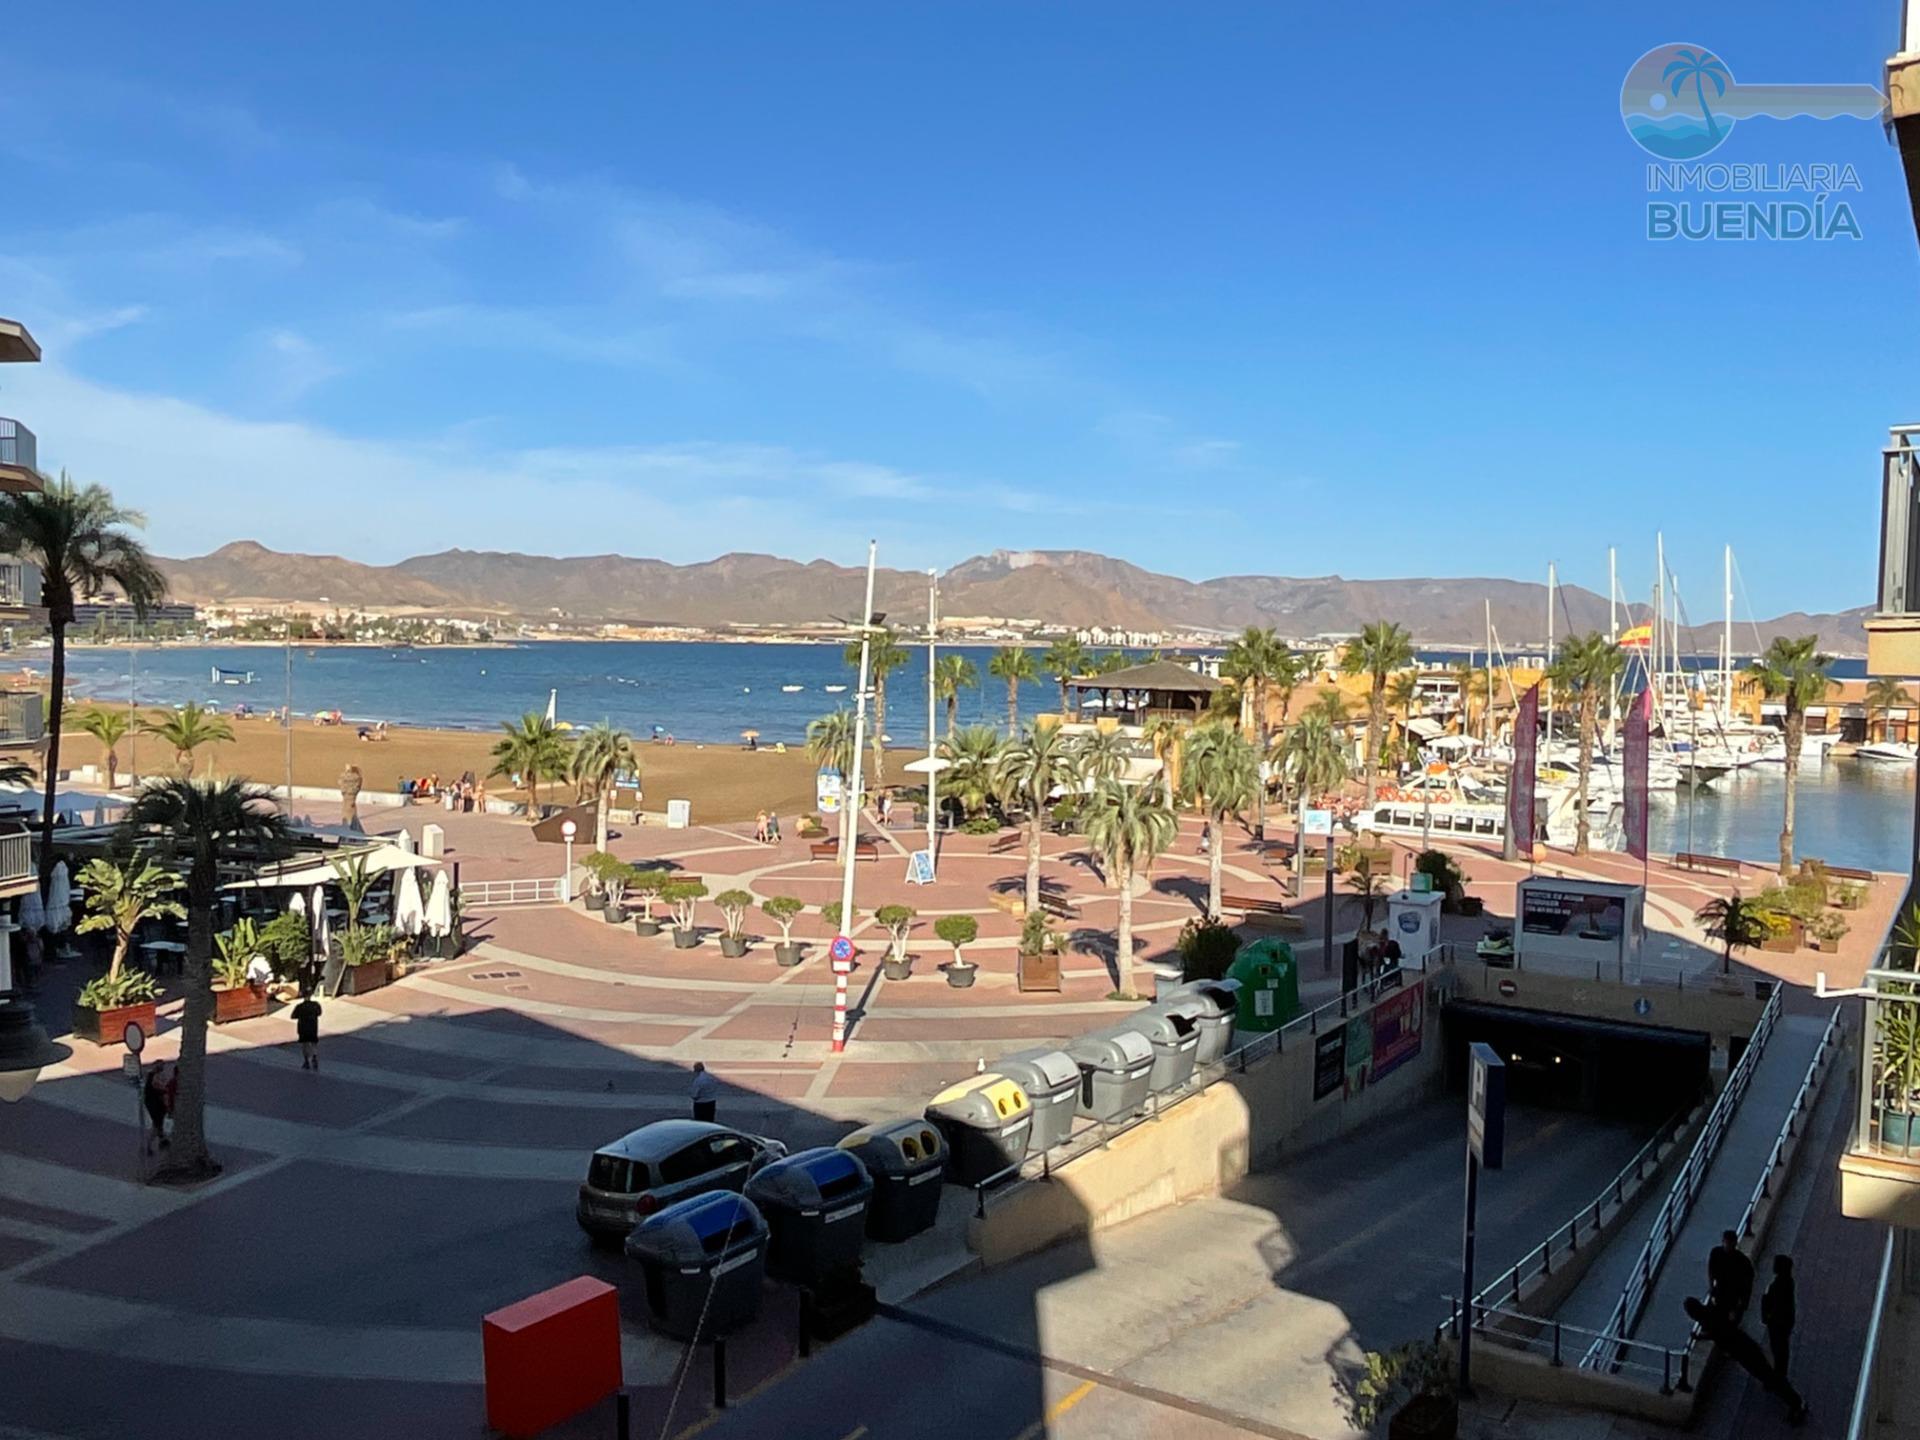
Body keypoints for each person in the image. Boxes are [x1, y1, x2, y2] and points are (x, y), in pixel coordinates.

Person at [1761, 1255, 1796, 1383]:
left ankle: (1779, 1375)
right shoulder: (1788, 1282)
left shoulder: (1777, 1285)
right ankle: (1780, 1373)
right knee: (1782, 1347)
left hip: (1777, 1322)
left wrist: (1767, 1316)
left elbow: (1771, 1302)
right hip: (1785, 1321)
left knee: (1778, 1348)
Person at [1708, 1230, 1755, 1325]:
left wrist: (1743, 1303)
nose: (1728, 1245)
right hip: (1721, 1292)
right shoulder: (1742, 1260)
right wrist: (1712, 1287)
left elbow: (1748, 1283)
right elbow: (1711, 1272)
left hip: (1733, 1296)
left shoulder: (1742, 1261)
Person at [141, 1061, 171, 1152]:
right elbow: (157, 1087)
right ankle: (160, 1141)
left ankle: (160, 1141)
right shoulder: (153, 1076)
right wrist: (165, 1090)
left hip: (155, 1103)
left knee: (157, 1124)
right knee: (157, 1124)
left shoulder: (153, 1075)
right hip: (154, 1103)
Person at [293, 989, 323, 1071]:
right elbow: (319, 1013)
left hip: (303, 1027)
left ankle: (306, 1061)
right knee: (313, 1043)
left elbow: (293, 1016)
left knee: (305, 1044)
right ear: (310, 996)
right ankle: (314, 1056)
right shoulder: (316, 1005)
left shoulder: (300, 1006)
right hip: (313, 1026)